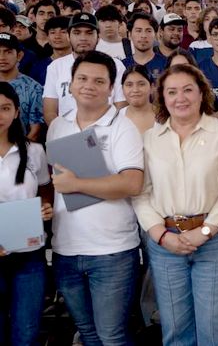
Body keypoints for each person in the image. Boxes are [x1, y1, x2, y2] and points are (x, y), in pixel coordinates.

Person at [132, 63, 218, 345]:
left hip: (215, 243)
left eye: (187, 90)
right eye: (171, 92)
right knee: (175, 326)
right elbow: (140, 192)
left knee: (214, 326)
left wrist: (206, 231)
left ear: (201, 93)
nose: (180, 98)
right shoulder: (150, 139)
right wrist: (160, 235)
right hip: (165, 245)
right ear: (162, 97)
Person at [46, 50, 144, 345]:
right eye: (82, 79)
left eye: (99, 81)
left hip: (111, 251)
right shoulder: (57, 126)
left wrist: (77, 184)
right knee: (88, 334)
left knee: (112, 336)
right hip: (66, 248)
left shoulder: (123, 127)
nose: (89, 85)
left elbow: (132, 183)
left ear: (111, 87)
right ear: (71, 84)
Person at [0, 82, 53, 346]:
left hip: (28, 254)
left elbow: (45, 189)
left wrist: (45, 208)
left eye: (5, 108)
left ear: (17, 112)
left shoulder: (34, 151)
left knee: (27, 332)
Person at [42, 13, 126, 125]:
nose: (83, 38)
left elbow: (121, 106)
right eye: (77, 33)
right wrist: (62, 134)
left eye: (89, 33)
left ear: (98, 36)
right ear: (68, 36)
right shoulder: (55, 66)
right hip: (66, 134)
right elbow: (50, 111)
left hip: (107, 134)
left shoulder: (116, 65)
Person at [0, 32, 43, 140]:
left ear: (19, 55)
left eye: (8, 52)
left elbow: (35, 130)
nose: (2, 57)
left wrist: (17, 153)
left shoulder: (34, 88)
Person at [120, 65, 156, 134]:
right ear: (122, 89)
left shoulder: (165, 116)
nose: (135, 90)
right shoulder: (116, 118)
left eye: (141, 84)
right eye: (129, 85)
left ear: (152, 87)